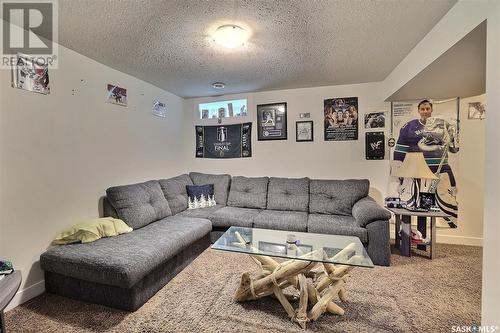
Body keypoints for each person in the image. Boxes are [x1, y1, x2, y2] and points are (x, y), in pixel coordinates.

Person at [393, 100, 459, 225]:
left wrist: (454, 137)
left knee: (447, 202)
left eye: (427, 109)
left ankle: (450, 221)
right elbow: (399, 151)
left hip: (440, 169)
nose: (425, 111)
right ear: (418, 110)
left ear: (431, 110)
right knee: (414, 203)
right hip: (417, 171)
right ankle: (414, 231)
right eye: (422, 109)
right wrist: (399, 173)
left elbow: (454, 149)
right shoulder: (409, 127)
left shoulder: (444, 125)